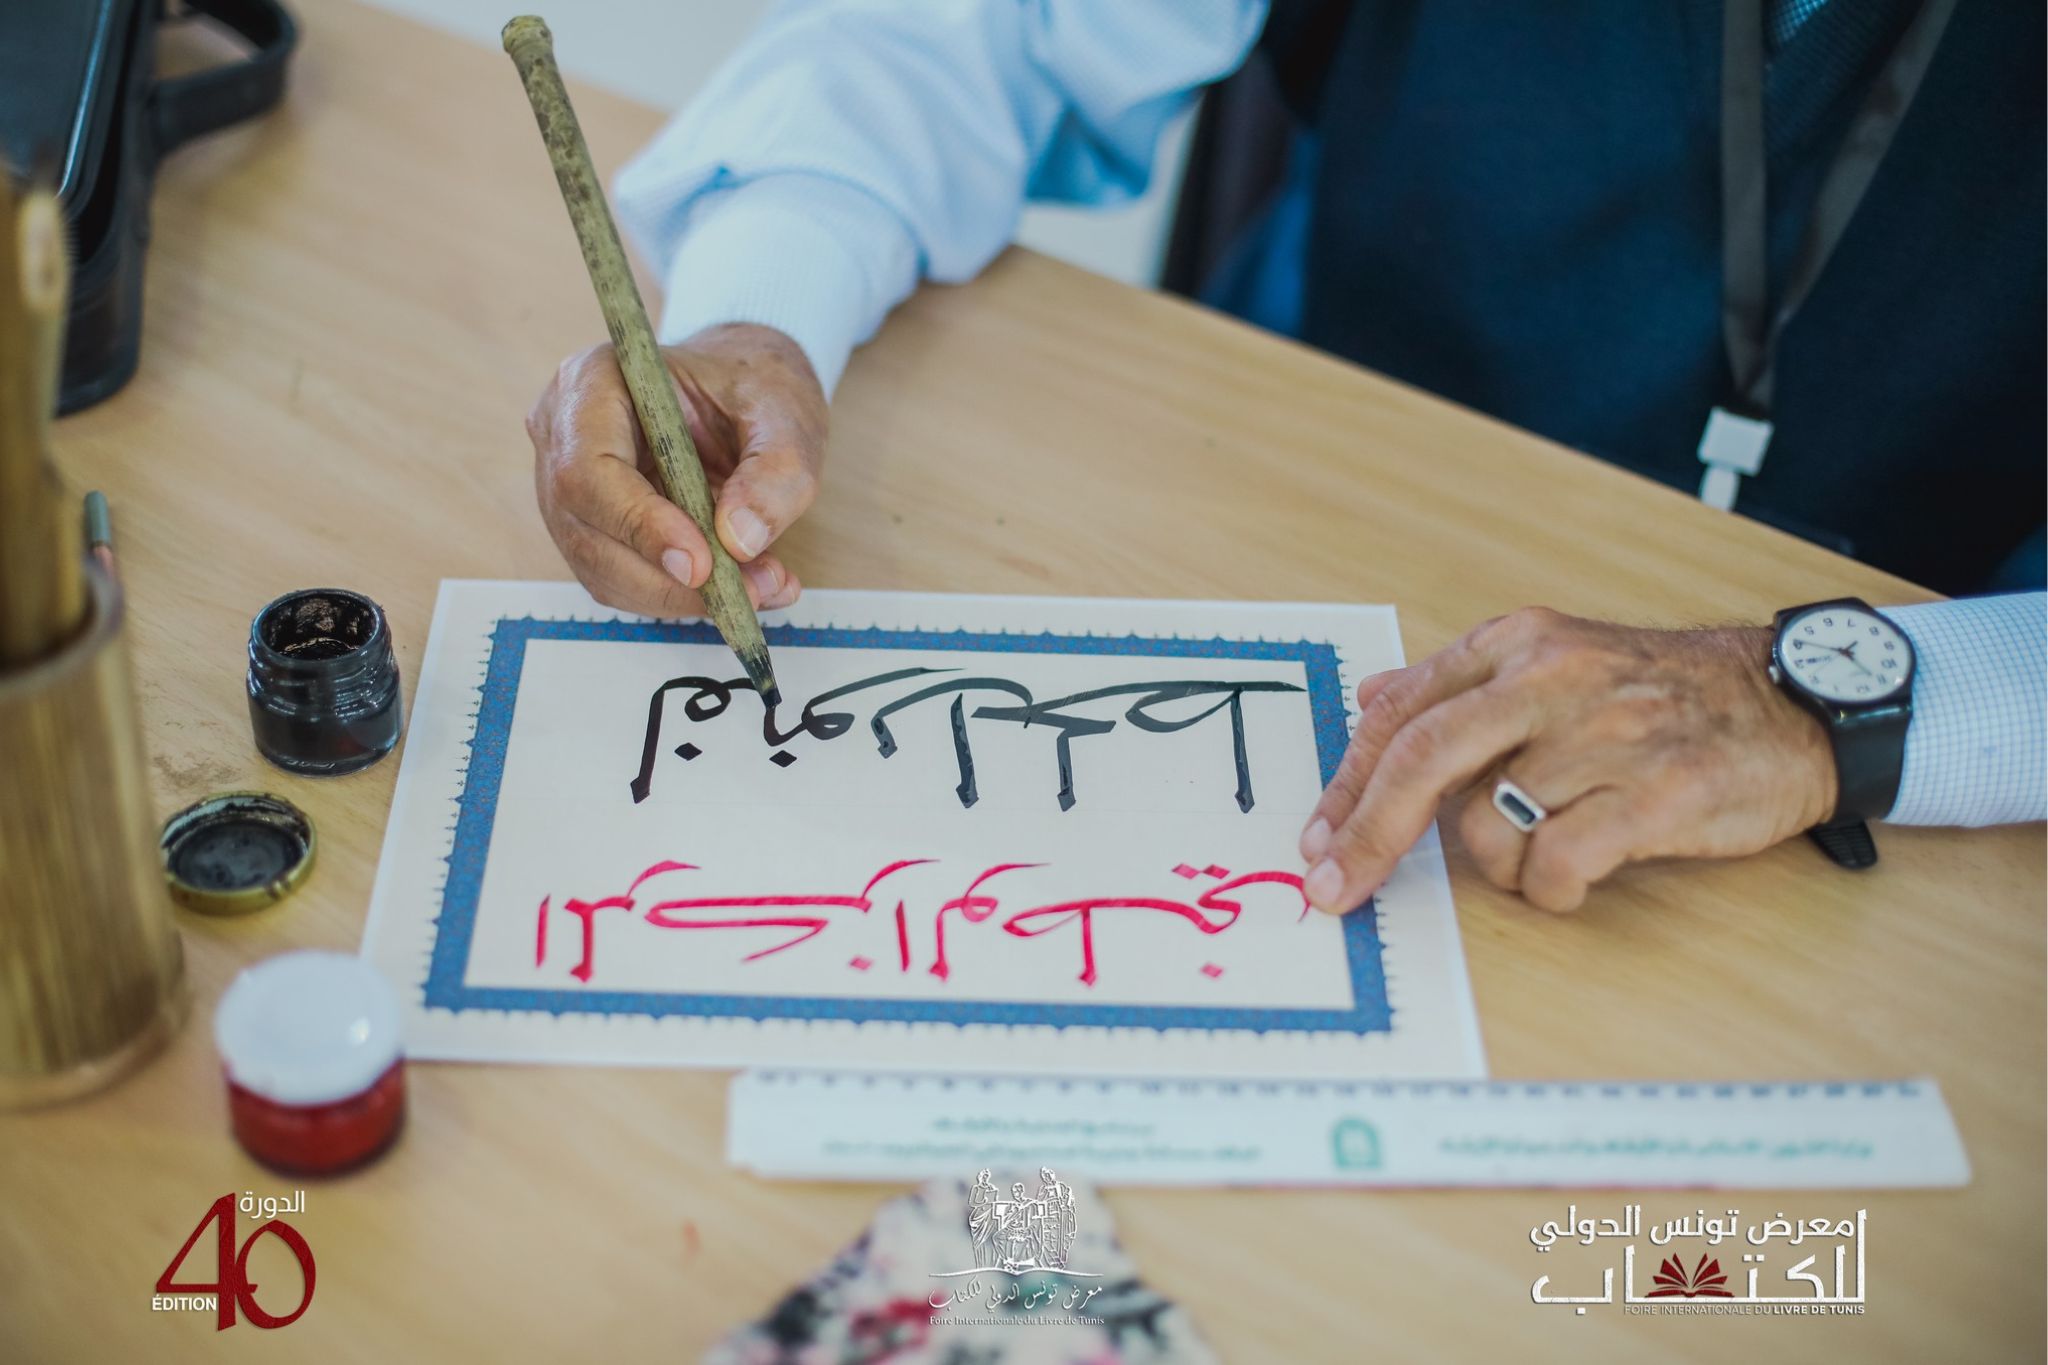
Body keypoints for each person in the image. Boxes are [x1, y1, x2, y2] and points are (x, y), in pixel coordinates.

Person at [523, 0, 2044, 914]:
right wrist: (763, 315)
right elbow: (972, 33)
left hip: (1917, 774)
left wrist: (1835, 702)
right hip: (1305, 563)